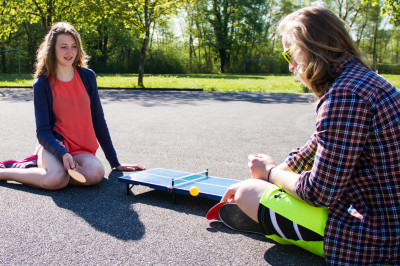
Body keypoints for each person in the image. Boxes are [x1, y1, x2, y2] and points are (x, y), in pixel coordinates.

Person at [220, 6, 400, 265]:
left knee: (248, 192)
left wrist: (270, 172)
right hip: (387, 219)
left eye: (289, 53)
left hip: (374, 238)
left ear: (310, 49)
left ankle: (282, 227)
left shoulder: (344, 96)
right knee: (253, 187)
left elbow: (319, 193)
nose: (291, 66)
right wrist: (273, 175)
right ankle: (276, 219)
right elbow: (312, 148)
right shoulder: (366, 81)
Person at [0, 22, 145, 189]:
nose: (70, 52)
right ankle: (6, 171)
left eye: (74, 46)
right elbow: (42, 131)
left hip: (81, 149)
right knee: (57, 180)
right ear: (52, 50)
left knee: (95, 174)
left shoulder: (87, 77)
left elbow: (98, 120)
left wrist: (114, 162)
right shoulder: (42, 84)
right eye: (63, 47)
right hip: (54, 146)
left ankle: (44, 169)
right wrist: (61, 153)